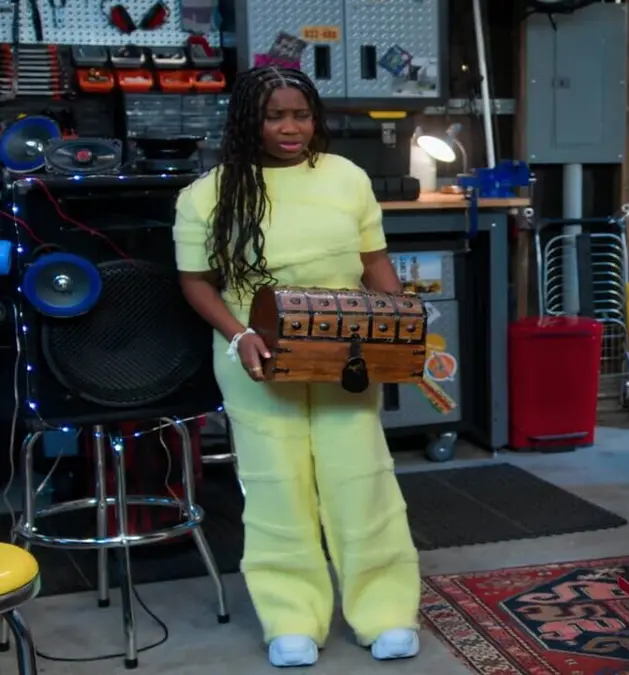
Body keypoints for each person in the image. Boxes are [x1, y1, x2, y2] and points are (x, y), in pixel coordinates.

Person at [173, 67, 421, 667]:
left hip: (346, 351)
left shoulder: (345, 177)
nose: (291, 128)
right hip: (256, 354)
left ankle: (385, 612)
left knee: (360, 479)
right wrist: (238, 336)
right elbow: (195, 281)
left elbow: (374, 262)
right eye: (275, 116)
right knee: (276, 488)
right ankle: (291, 618)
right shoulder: (207, 193)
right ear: (248, 122)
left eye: (301, 115)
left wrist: (401, 324)